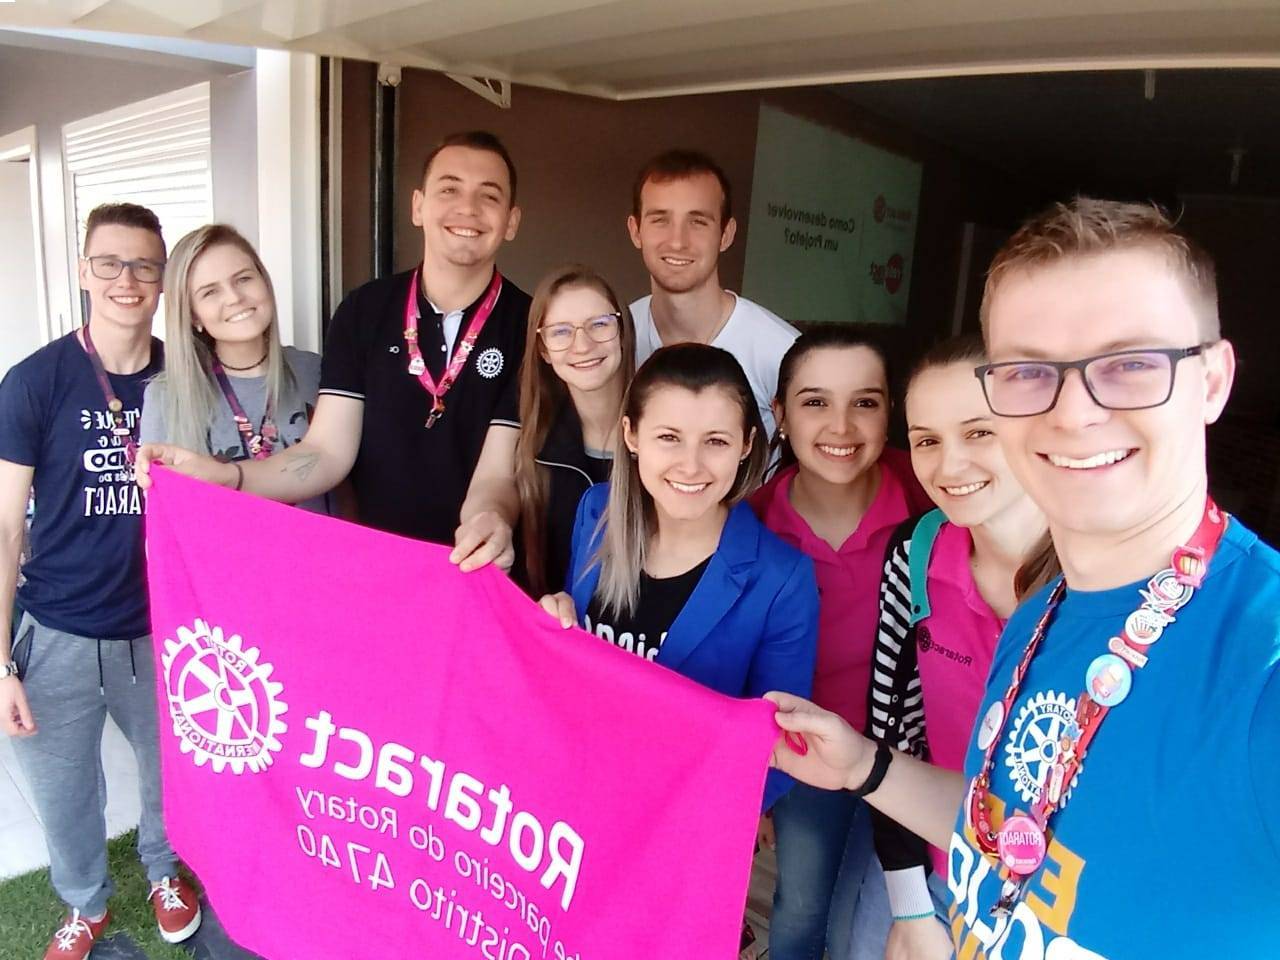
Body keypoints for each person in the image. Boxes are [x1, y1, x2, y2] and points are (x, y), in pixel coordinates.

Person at [767, 198, 1280, 959]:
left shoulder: (1261, 661)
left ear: (1212, 381)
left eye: (1131, 364)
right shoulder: (1040, 615)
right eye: (1028, 372)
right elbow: (1011, 825)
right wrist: (864, 765)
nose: (1073, 412)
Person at [137, 131, 529, 571]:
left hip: (476, 568)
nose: (468, 208)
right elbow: (326, 452)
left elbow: (497, 472)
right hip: (371, 571)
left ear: (511, 221)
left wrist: (488, 521)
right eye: (449, 189)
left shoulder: (531, 325)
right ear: (418, 206)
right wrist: (231, 475)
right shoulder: (364, 310)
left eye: (488, 195)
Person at [0, 203, 202, 960]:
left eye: (145, 264)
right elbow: (6, 528)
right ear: (84, 271)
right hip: (57, 627)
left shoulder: (188, 377)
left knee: (172, 770)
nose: (127, 279)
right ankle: (84, 903)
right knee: (63, 787)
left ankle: (164, 872)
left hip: (163, 624)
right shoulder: (35, 380)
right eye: (110, 263)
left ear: (163, 279)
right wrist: (0, 662)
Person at [537, 343, 818, 811]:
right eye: (669, 437)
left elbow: (783, 748)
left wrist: (689, 822)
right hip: (570, 794)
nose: (691, 465)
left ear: (747, 445)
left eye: (716, 441)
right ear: (631, 435)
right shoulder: (596, 513)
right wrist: (549, 629)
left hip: (679, 821)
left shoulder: (782, 580)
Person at [748, 327, 931, 960]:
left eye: (865, 402)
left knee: (881, 917)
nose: (842, 426)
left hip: (915, 754)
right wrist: (755, 785)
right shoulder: (751, 525)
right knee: (802, 907)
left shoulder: (931, 503)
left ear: (891, 411)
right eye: (816, 402)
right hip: (805, 759)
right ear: (780, 414)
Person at [868, 334, 1051, 960]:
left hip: (1065, 904)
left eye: (979, 433)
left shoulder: (1102, 575)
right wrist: (910, 906)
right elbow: (892, 730)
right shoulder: (915, 552)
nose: (949, 466)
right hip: (945, 872)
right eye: (926, 441)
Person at [139, 224, 329, 513]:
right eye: (210, 292)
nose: (234, 297)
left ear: (264, 282)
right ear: (193, 316)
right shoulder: (165, 395)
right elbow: (166, 517)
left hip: (321, 542)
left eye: (243, 279)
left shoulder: (315, 371)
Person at [627, 149, 798, 437]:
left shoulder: (781, 352)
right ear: (636, 231)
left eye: (698, 222)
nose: (678, 241)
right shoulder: (615, 340)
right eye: (660, 220)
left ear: (726, 235)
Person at [507, 264, 634, 596]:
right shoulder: (533, 444)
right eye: (561, 331)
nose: (582, 345)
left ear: (622, 331)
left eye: (599, 324)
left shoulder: (659, 436)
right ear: (543, 350)